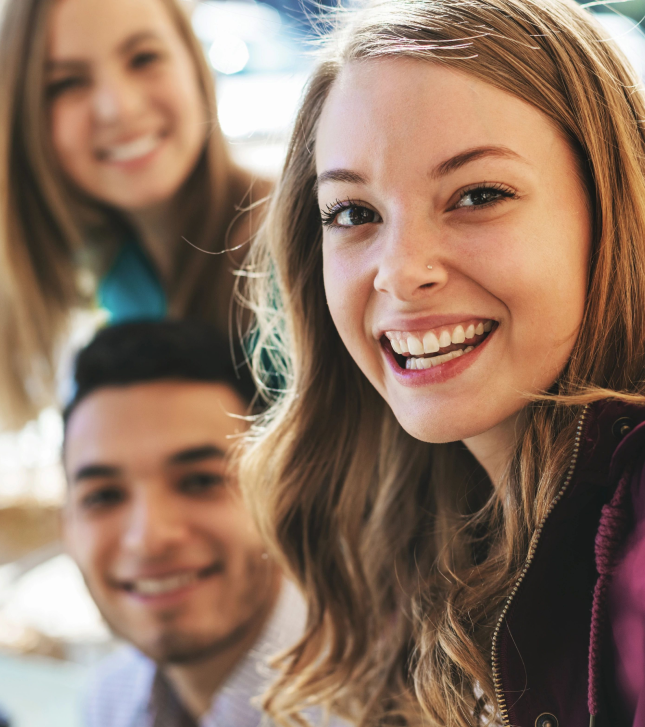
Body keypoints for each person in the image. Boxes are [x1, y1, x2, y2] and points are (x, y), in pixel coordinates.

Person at [239, 0, 645, 725]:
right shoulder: (402, 538)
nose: (398, 272)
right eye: (353, 213)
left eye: (478, 195)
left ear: (610, 209)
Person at [0, 0, 267, 429]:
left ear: (194, 63)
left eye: (144, 58)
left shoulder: (294, 247)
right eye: (67, 83)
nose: (118, 108)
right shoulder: (114, 273)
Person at [62, 321, 299, 727]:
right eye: (103, 495)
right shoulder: (110, 699)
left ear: (281, 494)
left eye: (200, 481)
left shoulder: (390, 705)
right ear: (64, 523)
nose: (148, 539)